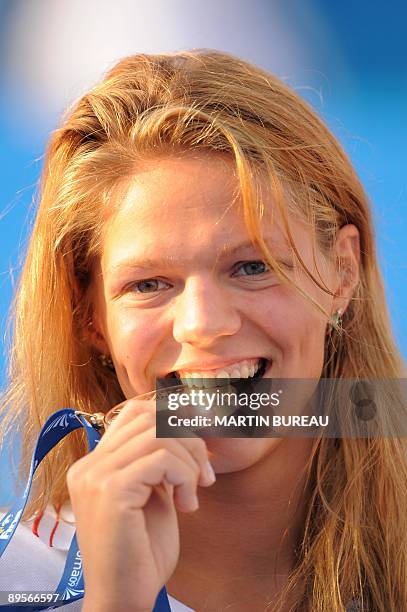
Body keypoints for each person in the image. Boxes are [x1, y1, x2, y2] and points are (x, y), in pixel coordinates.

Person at [0, 49, 406, 612]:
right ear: (89, 316)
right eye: (148, 284)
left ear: (342, 271)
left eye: (253, 266)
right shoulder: (14, 577)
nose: (204, 325)